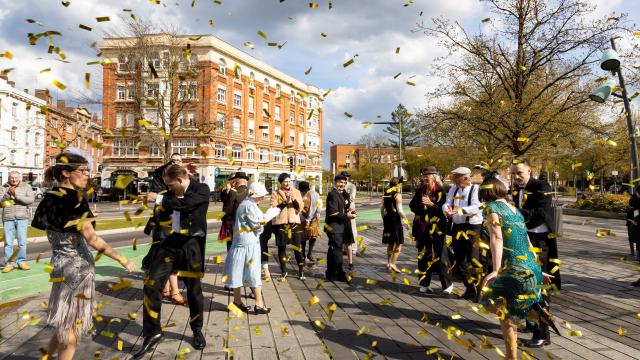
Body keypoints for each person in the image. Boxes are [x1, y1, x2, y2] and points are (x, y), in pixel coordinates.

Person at [32, 152, 135, 360]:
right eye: (82, 170)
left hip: (59, 265)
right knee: (72, 329)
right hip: (78, 269)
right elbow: (92, 239)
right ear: (66, 173)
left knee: (64, 321)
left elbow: (60, 226)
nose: (87, 175)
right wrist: (122, 259)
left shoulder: (50, 197)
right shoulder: (76, 200)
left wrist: (85, 218)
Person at [478, 173, 558, 360]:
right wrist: (538, 268)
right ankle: (533, 311)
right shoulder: (513, 208)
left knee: (496, 308)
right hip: (529, 265)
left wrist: (496, 269)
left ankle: (513, 352)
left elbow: (496, 238)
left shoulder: (490, 208)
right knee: (502, 308)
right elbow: (526, 238)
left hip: (512, 267)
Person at [135, 164, 210, 358]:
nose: (168, 187)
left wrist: (159, 198)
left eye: (170, 184)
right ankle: (153, 333)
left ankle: (196, 330)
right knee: (151, 285)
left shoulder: (201, 189)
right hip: (169, 242)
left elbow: (185, 204)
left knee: (194, 290)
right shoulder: (169, 194)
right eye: (166, 185)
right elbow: (163, 212)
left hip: (191, 244)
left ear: (181, 179)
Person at [511, 160, 561, 348]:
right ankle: (531, 323)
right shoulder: (516, 189)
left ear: (529, 171)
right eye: (513, 174)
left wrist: (514, 214)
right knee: (525, 282)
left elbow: (539, 214)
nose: (516, 177)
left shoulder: (542, 186)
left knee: (539, 285)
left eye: (519, 173)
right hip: (524, 239)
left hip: (540, 242)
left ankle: (543, 334)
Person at [224, 182, 280, 314]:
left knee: (236, 272)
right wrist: (270, 215)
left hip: (242, 244)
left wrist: (266, 215)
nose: (263, 198)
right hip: (248, 244)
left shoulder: (248, 203)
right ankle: (259, 304)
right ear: (256, 195)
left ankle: (237, 302)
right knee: (253, 272)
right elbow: (257, 225)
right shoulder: (249, 205)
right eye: (261, 195)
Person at [143, 153, 187, 305]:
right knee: (168, 259)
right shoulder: (162, 182)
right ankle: (172, 291)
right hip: (164, 227)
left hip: (178, 225)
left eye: (179, 160)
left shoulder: (185, 182)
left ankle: (168, 289)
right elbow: (159, 203)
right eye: (173, 160)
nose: (176, 163)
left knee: (170, 259)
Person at [442, 167, 484, 300]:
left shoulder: (476, 189)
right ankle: (470, 288)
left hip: (473, 226)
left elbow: (478, 207)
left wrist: (460, 210)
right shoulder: (453, 189)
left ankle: (481, 291)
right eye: (455, 176)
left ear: (466, 178)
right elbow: (447, 203)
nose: (454, 179)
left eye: (457, 176)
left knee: (474, 259)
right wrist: (446, 209)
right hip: (458, 226)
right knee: (459, 259)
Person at [410, 167, 453, 294]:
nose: (424, 178)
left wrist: (431, 205)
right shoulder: (421, 190)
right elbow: (412, 206)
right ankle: (424, 283)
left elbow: (443, 211)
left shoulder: (440, 191)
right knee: (423, 255)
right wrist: (422, 208)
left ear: (434, 177)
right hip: (423, 228)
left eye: (427, 176)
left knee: (441, 255)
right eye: (423, 176)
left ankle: (447, 284)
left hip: (439, 228)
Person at [271, 173, 306, 280]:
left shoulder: (296, 192)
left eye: (289, 181)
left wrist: (293, 199)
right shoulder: (275, 193)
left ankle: (301, 272)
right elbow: (273, 208)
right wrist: (285, 202)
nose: (288, 183)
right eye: (285, 181)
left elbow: (300, 208)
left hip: (294, 223)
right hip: (281, 224)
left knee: (297, 248)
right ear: (281, 182)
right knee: (282, 248)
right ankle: (283, 271)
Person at [1, 171, 35, 273]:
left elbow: (30, 200)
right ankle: (9, 263)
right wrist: (8, 194)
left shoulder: (26, 186)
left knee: (22, 242)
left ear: (19, 177)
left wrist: (17, 196)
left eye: (16, 178)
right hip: (8, 217)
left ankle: (21, 262)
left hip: (22, 218)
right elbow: (0, 202)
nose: (14, 180)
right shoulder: (3, 187)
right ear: (8, 178)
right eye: (12, 178)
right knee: (8, 243)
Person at [324, 174, 356, 282]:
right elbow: (332, 213)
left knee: (332, 250)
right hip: (334, 227)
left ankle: (330, 273)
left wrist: (349, 212)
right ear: (335, 183)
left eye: (344, 183)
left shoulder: (340, 194)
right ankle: (340, 273)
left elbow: (341, 210)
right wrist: (346, 216)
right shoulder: (333, 194)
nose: (342, 184)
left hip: (338, 227)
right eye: (340, 182)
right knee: (337, 251)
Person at [381, 178, 407, 272]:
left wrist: (383, 219)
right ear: (398, 185)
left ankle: (388, 263)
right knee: (399, 243)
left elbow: (382, 209)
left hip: (387, 219)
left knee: (390, 243)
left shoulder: (386, 193)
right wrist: (406, 220)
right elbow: (400, 210)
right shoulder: (397, 195)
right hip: (395, 220)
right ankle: (393, 263)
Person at [220, 172, 250, 252]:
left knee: (232, 246)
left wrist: (223, 217)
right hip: (245, 224)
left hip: (234, 223)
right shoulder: (250, 192)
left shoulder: (234, 192)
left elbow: (228, 210)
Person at [299, 181, 321, 264]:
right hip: (302, 219)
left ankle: (310, 254)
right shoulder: (298, 195)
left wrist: (318, 212)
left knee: (313, 236)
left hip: (314, 218)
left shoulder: (315, 194)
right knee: (303, 237)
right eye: (302, 190)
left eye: (305, 190)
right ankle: (303, 255)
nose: (304, 192)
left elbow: (319, 203)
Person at [341, 171, 358, 263]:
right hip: (342, 209)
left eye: (347, 176)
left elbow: (352, 198)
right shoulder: (339, 185)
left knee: (352, 229)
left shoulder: (352, 186)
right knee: (344, 229)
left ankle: (354, 248)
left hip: (350, 208)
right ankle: (345, 248)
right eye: (344, 176)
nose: (345, 178)